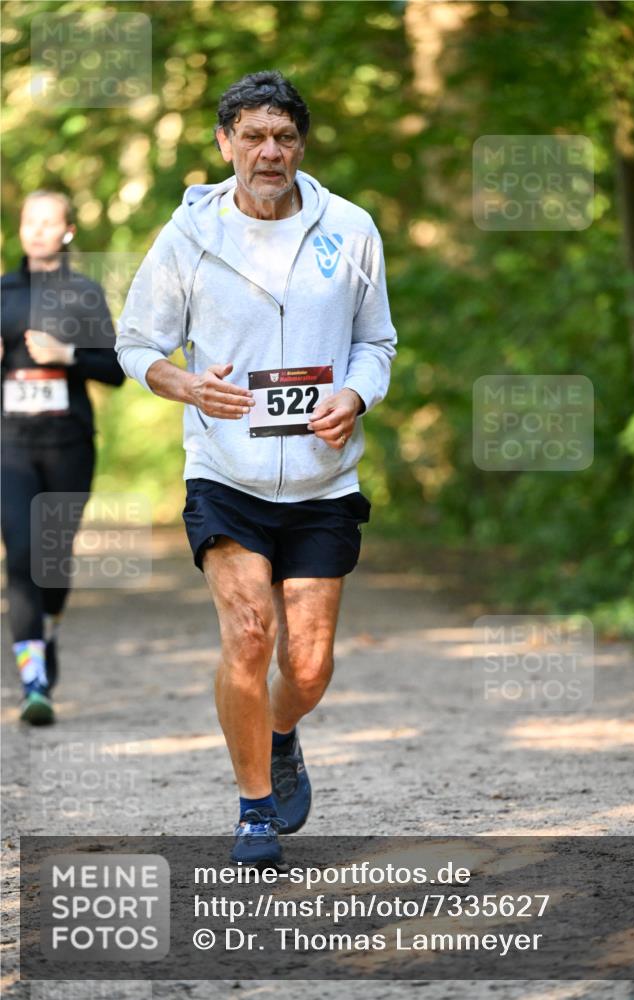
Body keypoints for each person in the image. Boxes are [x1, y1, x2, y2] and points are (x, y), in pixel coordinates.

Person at [116, 70, 396, 864]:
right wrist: (179, 381)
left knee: (305, 667)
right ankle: (253, 809)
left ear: (300, 146)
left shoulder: (351, 230)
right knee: (248, 632)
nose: (268, 152)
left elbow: (376, 341)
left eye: (283, 137)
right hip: (224, 473)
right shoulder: (187, 238)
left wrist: (356, 395)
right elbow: (137, 343)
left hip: (321, 478)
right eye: (252, 136)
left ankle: (281, 731)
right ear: (224, 144)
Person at [1, 190, 125, 725]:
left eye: (49, 222)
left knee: (53, 558)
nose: (37, 230)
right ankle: (34, 682)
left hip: (70, 444)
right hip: (10, 446)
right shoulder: (3, 291)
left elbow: (115, 369)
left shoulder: (83, 293)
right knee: (23, 553)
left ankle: (48, 631)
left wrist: (66, 355)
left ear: (67, 231)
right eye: (31, 220)